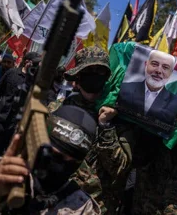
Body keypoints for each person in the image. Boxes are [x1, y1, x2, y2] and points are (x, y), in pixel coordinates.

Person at [0, 105, 101, 214]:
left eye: (71, 162)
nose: (61, 166)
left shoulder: (82, 206)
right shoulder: (4, 173)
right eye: (55, 155)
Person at [49, 46, 133, 214]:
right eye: (89, 72)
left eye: (100, 73)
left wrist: (105, 126)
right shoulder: (57, 109)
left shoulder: (121, 120)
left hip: (96, 206)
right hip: (54, 201)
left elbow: (119, 168)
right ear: (78, 78)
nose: (94, 78)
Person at [0, 52, 42, 158]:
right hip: (2, 117)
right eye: (35, 63)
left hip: (17, 122)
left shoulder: (35, 82)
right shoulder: (11, 73)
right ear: (27, 62)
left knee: (8, 150)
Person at [118, 50, 177, 125]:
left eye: (165, 67)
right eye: (154, 64)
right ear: (146, 64)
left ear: (171, 73)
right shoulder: (124, 88)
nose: (158, 71)